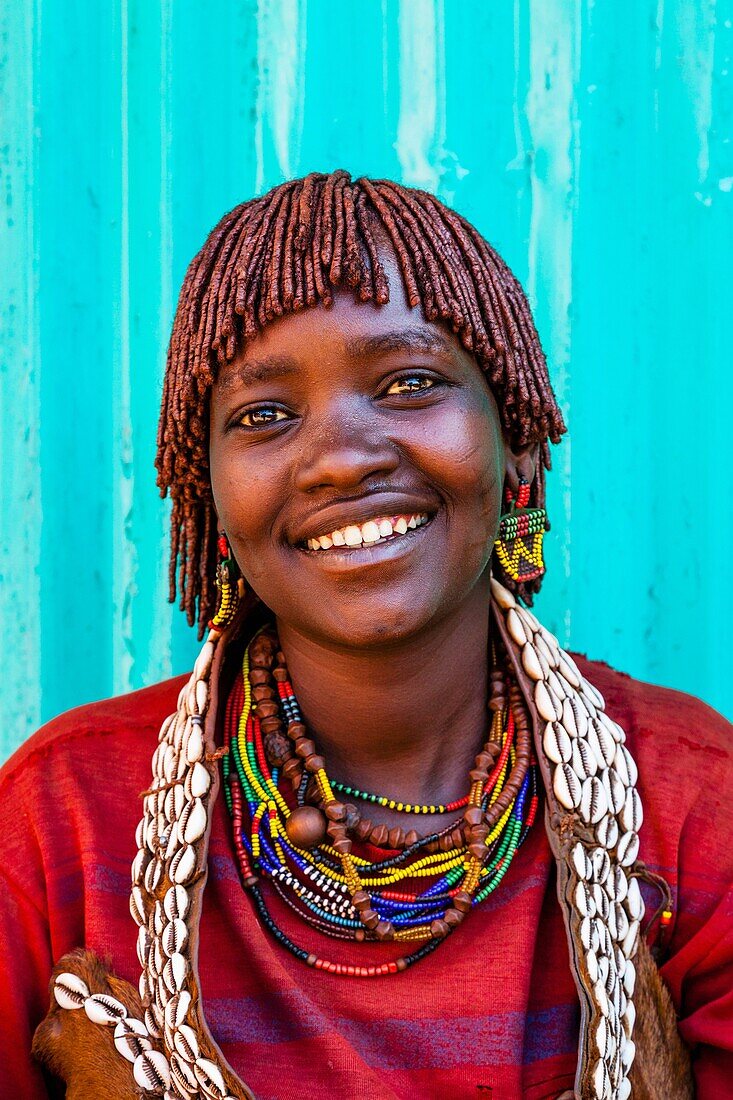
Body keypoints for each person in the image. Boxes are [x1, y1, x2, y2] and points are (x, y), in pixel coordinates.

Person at [0, 171, 730, 1100]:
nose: (342, 456)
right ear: (212, 498)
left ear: (517, 440)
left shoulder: (687, 807)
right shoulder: (64, 822)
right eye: (263, 415)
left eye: (410, 383)